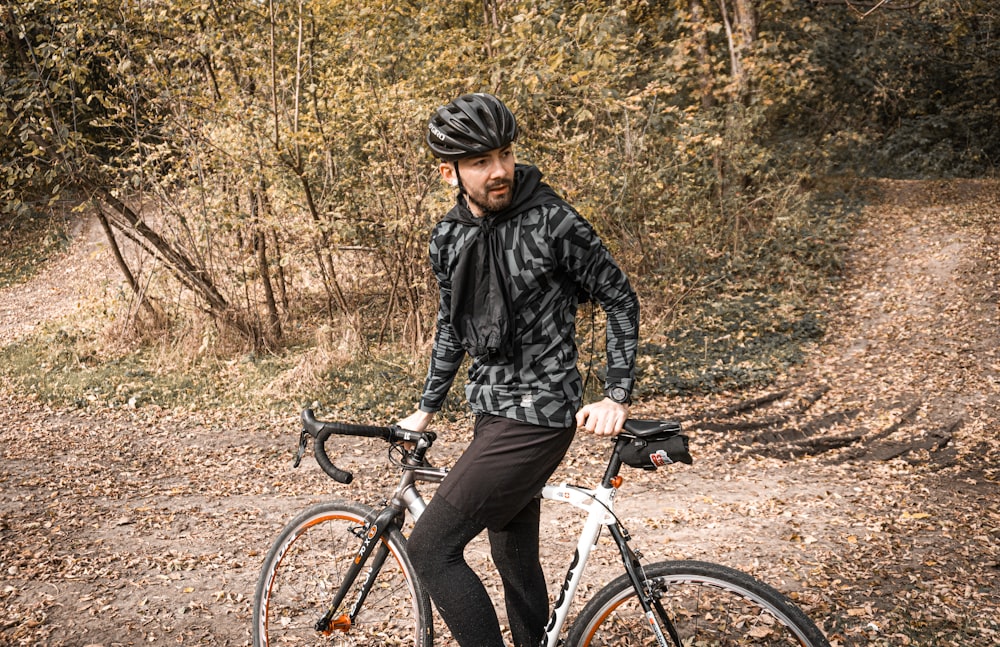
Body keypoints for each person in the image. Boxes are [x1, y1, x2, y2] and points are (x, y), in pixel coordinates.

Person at [398, 93, 639, 647]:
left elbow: (620, 298)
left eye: (504, 154)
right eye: (481, 161)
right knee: (513, 559)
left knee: (430, 550)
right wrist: (428, 405)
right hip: (490, 410)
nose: (500, 170)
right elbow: (451, 324)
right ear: (450, 172)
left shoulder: (552, 221)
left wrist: (616, 394)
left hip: (538, 413)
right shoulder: (448, 237)